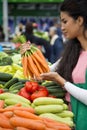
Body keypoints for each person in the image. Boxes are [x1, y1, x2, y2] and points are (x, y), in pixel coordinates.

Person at [40, 0, 87, 130]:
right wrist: (29, 54)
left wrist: (62, 82)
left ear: (79, 21)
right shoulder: (74, 51)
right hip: (72, 120)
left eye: (65, 21)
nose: (61, 27)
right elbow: (45, 71)